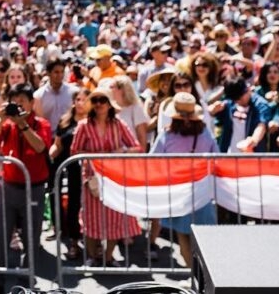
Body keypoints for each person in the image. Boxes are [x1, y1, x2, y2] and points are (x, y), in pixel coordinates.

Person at [0, 83, 53, 293]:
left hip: (35, 187)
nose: (19, 104)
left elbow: (40, 146)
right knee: (1, 234)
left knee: (31, 234)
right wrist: (3, 119)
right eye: (16, 101)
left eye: (23, 100)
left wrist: (23, 124)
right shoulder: (7, 125)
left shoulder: (41, 124)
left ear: (32, 103)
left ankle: (27, 277)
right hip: (9, 186)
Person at [71, 87, 141, 266]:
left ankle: (108, 257)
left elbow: (136, 147)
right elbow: (74, 151)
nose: (99, 104)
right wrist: (95, 155)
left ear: (110, 104)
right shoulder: (83, 126)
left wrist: (122, 151)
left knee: (115, 219)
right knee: (90, 219)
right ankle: (93, 256)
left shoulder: (119, 124)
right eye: (95, 101)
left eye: (103, 100)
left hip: (114, 179)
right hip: (92, 179)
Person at [149, 92, 219, 267]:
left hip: (178, 192)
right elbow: (217, 157)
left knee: (183, 240)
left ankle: (194, 278)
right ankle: (204, 280)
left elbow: (153, 161)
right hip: (202, 192)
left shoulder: (167, 136)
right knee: (203, 241)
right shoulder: (205, 134)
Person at [49, 88, 91, 261]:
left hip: (89, 169)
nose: (80, 103)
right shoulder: (65, 121)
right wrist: (51, 153)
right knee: (72, 204)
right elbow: (57, 144)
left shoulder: (93, 122)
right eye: (78, 99)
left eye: (84, 99)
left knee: (88, 205)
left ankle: (93, 244)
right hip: (68, 167)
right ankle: (73, 240)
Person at [33, 60, 78, 131]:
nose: (60, 75)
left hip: (69, 136)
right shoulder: (38, 95)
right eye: (56, 72)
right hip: (49, 137)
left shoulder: (74, 92)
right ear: (48, 73)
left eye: (62, 72)